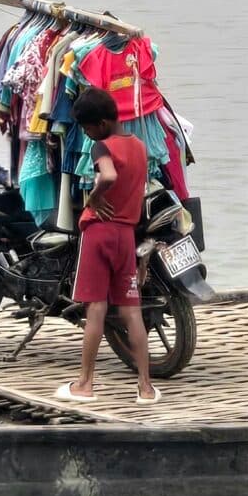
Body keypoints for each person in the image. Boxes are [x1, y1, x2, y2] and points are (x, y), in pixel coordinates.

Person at [55, 88, 160, 405]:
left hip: (99, 233)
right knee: (132, 313)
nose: (87, 136)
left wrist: (94, 198)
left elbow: (110, 175)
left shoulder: (103, 146)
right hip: (126, 237)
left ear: (100, 124)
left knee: (96, 310)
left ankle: (85, 384)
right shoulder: (140, 146)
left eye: (87, 129)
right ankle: (145, 387)